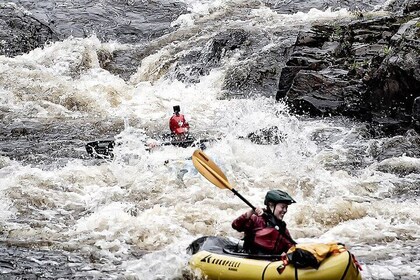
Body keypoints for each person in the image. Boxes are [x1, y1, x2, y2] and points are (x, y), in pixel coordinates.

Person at [232, 189, 297, 255]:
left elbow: (291, 247)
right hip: (251, 258)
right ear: (271, 205)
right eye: (282, 207)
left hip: (270, 261)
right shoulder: (256, 219)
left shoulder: (282, 229)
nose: (285, 210)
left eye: (286, 207)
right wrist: (251, 212)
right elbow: (236, 225)